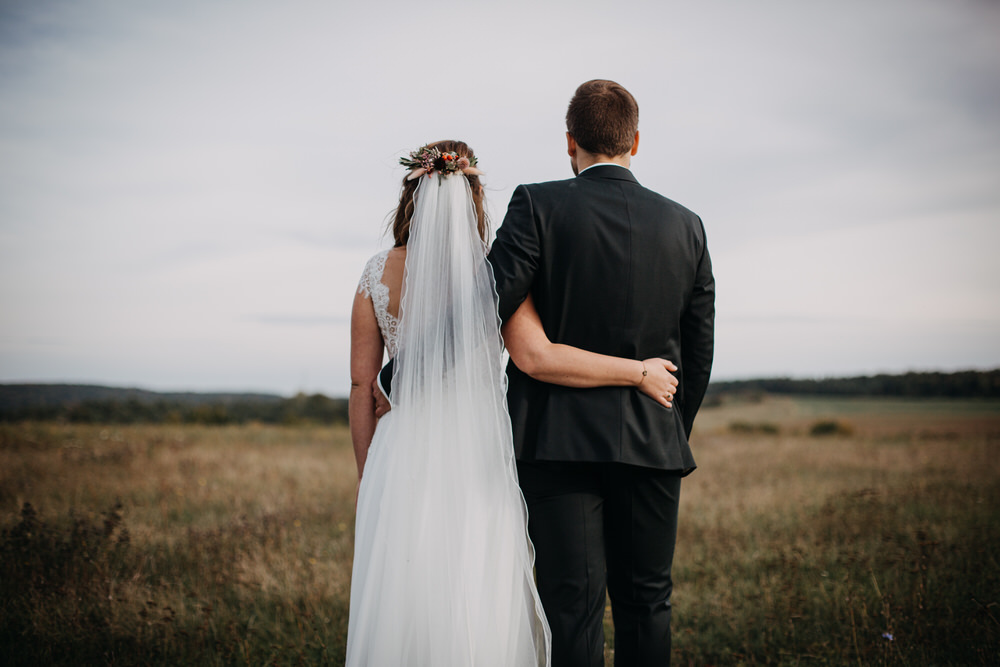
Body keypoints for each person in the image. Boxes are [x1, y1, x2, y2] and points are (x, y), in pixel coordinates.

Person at [347, 140, 681, 666]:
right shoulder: (495, 276)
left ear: (412, 196)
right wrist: (638, 373)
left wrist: (369, 476)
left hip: (399, 453)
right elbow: (534, 355)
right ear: (474, 197)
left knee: (403, 593)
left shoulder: (373, 275)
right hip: (476, 452)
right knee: (477, 589)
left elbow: (362, 388)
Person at [489, 80, 715, 666]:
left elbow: (483, 304)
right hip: (653, 436)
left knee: (572, 608)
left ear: (570, 143)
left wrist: (400, 372)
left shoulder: (536, 205)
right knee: (647, 603)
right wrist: (669, 426)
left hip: (556, 443)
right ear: (635, 141)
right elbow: (698, 349)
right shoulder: (686, 226)